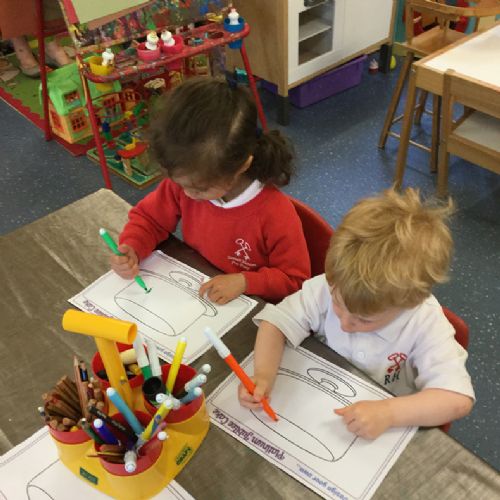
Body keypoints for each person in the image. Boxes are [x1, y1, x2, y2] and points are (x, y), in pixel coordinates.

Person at [239, 188, 474, 439]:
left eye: (364, 319)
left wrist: (389, 413)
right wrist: (263, 374)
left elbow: (457, 399)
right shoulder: (332, 286)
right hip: (323, 399)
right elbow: (275, 323)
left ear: (410, 302)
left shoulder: (425, 323)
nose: (344, 324)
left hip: (382, 425)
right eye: (338, 305)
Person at [111, 77, 311, 304]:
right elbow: (150, 219)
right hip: (198, 288)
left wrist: (245, 281)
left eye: (200, 189)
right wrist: (134, 246)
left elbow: (294, 280)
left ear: (242, 165)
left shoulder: (274, 214)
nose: (187, 194)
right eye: (181, 185)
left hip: (250, 307)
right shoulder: (188, 180)